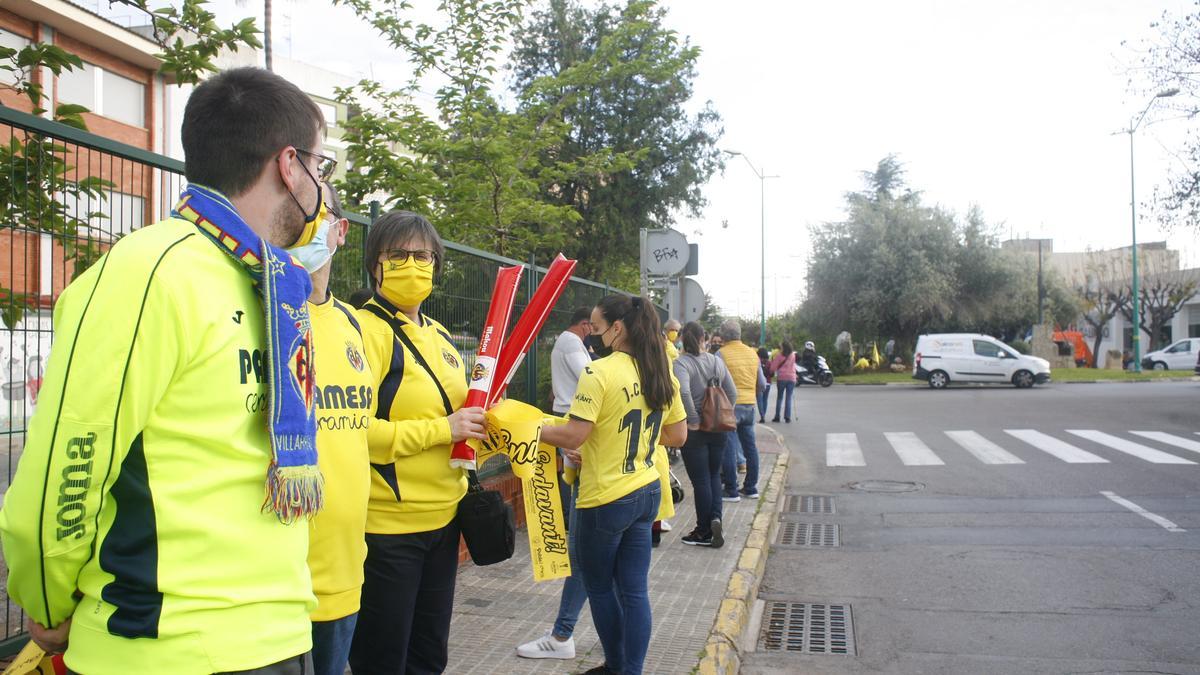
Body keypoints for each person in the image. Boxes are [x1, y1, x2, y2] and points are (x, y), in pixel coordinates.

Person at [0, 67, 328, 674]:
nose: (324, 193)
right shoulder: (150, 272)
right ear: (289, 165)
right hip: (162, 647)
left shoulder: (271, 285)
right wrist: (46, 602)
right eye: (320, 168)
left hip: (278, 637)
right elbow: (65, 467)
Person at [349, 211, 487, 675]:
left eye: (423, 255)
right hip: (388, 530)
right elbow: (354, 432)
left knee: (429, 657)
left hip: (445, 521)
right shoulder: (361, 331)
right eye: (399, 255)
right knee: (382, 660)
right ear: (375, 264)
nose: (413, 265)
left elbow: (458, 418)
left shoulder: (441, 335)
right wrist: (443, 429)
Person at [541, 295, 687, 675]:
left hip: (605, 497)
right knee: (635, 591)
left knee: (601, 587)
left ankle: (619, 666)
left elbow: (573, 436)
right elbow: (678, 434)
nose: (593, 335)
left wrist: (534, 429)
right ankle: (630, 670)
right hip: (647, 491)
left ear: (617, 328)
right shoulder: (661, 372)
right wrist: (631, 443)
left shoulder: (600, 372)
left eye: (597, 327)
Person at [294, 184, 373, 675]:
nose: (300, 224)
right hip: (275, 585)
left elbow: (364, 431)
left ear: (339, 231)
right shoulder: (262, 312)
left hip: (345, 572)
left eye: (314, 213)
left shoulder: (351, 323)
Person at [515, 307, 592, 660]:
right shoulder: (572, 341)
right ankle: (616, 642)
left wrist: (527, 430)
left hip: (589, 457)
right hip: (636, 483)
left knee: (581, 553)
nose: (597, 333)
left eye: (602, 325)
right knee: (621, 569)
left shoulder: (595, 359)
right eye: (593, 325)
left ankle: (562, 636)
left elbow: (591, 379)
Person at [673, 322, 736, 547]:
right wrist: (725, 413)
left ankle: (703, 531)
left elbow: (684, 391)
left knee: (700, 481)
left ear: (683, 339)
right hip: (719, 428)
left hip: (696, 431)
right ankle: (716, 518)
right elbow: (732, 392)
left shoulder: (681, 364)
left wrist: (693, 419)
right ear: (704, 338)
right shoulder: (717, 361)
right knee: (713, 477)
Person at [717, 320, 764, 501]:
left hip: (730, 406)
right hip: (749, 405)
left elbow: (717, 381)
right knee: (750, 447)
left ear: (722, 336)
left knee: (728, 447)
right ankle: (751, 488)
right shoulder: (753, 354)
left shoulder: (721, 354)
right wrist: (751, 395)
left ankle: (731, 489)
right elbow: (761, 383)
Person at [768, 341, 797, 423]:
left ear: (783, 347)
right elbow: (793, 366)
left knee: (780, 397)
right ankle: (787, 417)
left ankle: (777, 416)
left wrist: (771, 371)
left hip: (782, 378)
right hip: (792, 378)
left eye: (781, 347)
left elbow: (773, 368)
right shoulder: (793, 355)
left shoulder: (779, 356)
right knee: (788, 398)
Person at [756, 347, 772, 423]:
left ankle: (762, 415)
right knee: (765, 400)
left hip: (759, 384)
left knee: (760, 401)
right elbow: (772, 373)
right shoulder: (769, 363)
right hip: (768, 383)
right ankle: (763, 415)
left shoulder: (757, 361)